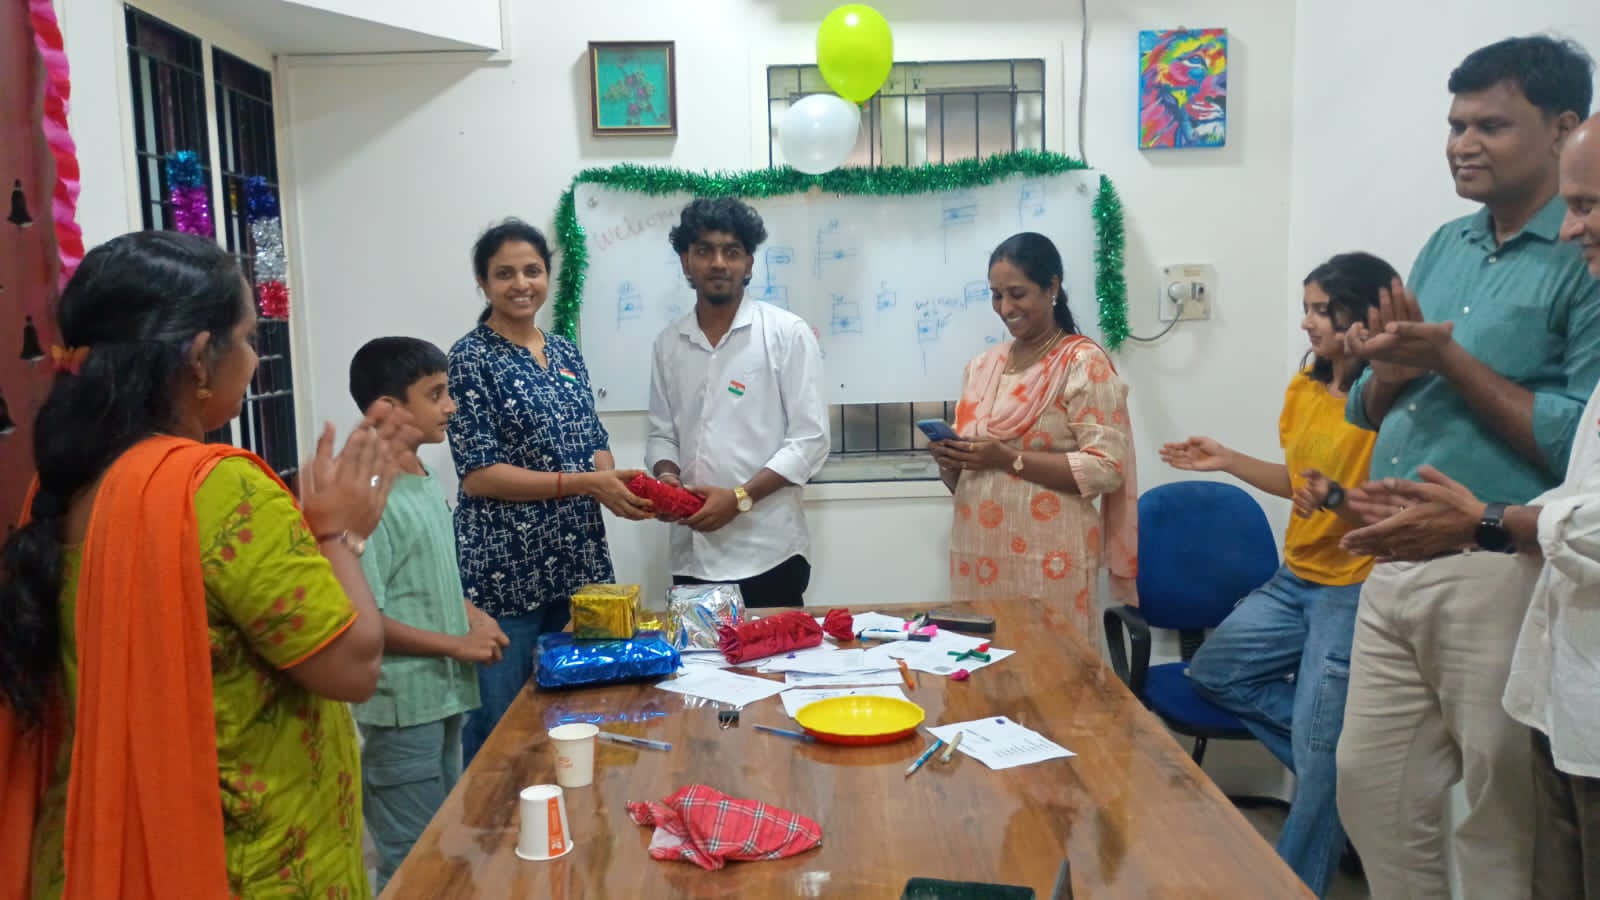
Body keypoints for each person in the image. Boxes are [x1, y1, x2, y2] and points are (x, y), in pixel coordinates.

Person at [0, 230, 412, 899]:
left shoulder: (57, 488)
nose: (254, 359)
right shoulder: (217, 489)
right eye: (247, 337)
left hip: (100, 849)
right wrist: (339, 534)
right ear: (198, 357)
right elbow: (353, 667)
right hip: (235, 864)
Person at [1333, 36, 1600, 900]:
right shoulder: (1445, 245)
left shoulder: (1586, 258)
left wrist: (1449, 361)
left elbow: (1580, 442)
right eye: (1455, 125)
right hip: (1394, 559)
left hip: (1500, 562)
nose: (1463, 144)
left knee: (1500, 814)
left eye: (1491, 124)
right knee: (1369, 788)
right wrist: (1391, 372)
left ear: (1562, 127)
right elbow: (1366, 405)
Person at [1162, 252, 1395, 897]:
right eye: (1306, 308)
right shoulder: (1305, 387)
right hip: (1296, 578)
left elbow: (1393, 508)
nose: (1307, 323)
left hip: (1352, 586)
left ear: (1364, 316)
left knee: (1322, 761)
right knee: (1213, 672)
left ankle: (1292, 881)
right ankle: (1342, 779)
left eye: (1322, 310)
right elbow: (1299, 483)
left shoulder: (1390, 403)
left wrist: (1336, 498)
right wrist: (1228, 459)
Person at [448, 218, 652, 764]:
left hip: (577, 560)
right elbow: (479, 472)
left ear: (547, 276)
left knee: (580, 711)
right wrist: (586, 483)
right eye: (505, 273)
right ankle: (489, 816)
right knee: (500, 725)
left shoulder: (563, 351)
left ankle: (570, 807)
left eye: (532, 270)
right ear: (483, 282)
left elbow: (593, 438)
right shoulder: (470, 358)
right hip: (505, 570)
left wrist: (615, 485)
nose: (521, 284)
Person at [347, 337, 510, 891]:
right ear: (387, 408)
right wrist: (457, 645)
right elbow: (366, 618)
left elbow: (428, 578)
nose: (451, 406)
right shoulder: (369, 494)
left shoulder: (421, 474)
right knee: (409, 858)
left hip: (442, 694)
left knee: (439, 843)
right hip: (402, 705)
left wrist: (472, 615)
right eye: (435, 394)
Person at [929, 232, 1136, 643]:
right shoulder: (982, 367)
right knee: (982, 662)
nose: (1005, 308)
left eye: (1017, 294)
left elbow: (1107, 468)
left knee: (1053, 665)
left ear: (1052, 287)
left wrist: (1008, 459)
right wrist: (951, 460)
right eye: (996, 296)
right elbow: (968, 479)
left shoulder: (1082, 363)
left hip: (1051, 559)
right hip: (977, 554)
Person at [645, 198, 829, 608]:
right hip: (692, 551)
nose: (718, 263)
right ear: (685, 262)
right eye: (704, 250)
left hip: (769, 554)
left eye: (731, 252)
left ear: (749, 264)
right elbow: (661, 434)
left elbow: (810, 441)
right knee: (698, 653)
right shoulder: (668, 344)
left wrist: (740, 497)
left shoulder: (786, 334)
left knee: (772, 652)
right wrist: (667, 479)